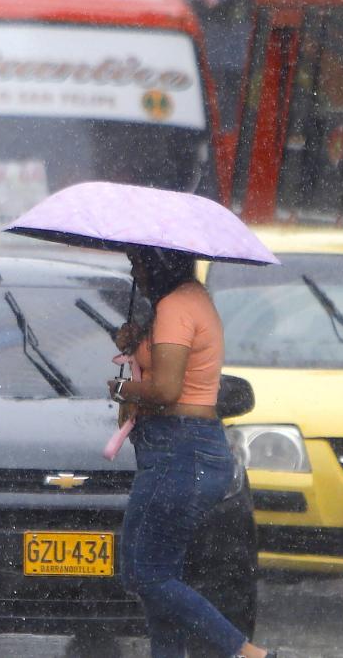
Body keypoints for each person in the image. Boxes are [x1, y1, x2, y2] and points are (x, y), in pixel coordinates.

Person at [108, 246, 271, 658]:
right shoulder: (189, 301)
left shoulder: (176, 307)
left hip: (180, 450)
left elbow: (166, 390)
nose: (134, 269)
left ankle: (247, 653)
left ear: (160, 262)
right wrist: (137, 341)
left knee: (142, 572)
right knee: (161, 573)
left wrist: (122, 389)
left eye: (139, 260)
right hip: (186, 449)